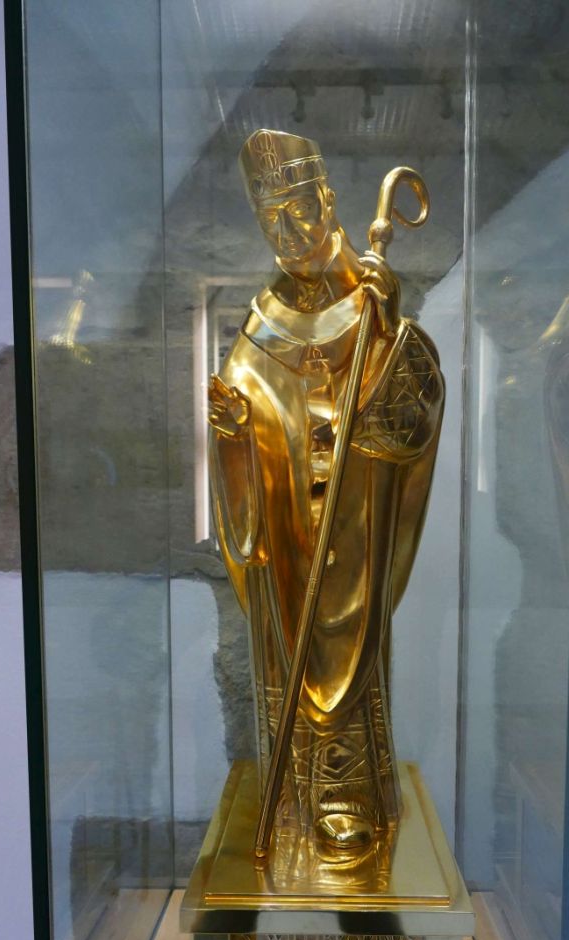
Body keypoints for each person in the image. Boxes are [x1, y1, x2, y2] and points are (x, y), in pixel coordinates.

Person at [208, 129, 444, 868]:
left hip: (354, 518)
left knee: (346, 639)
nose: (288, 232)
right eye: (270, 218)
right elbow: (246, 395)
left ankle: (347, 795)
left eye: (300, 209)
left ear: (330, 199)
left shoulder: (374, 304)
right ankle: (293, 794)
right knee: (290, 641)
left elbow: (413, 413)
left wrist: (389, 331)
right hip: (288, 524)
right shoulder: (262, 326)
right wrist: (235, 434)